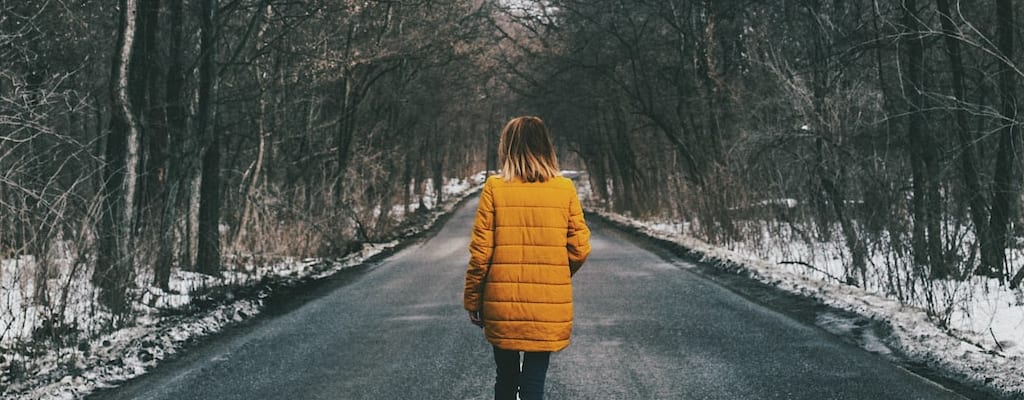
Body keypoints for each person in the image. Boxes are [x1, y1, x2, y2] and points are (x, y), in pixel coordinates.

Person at [464, 116, 592, 400]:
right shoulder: (564, 189)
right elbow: (580, 246)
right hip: (547, 303)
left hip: (502, 300)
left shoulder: (495, 188)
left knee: (506, 377)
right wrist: (555, 272)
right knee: (535, 379)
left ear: (507, 147)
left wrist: (473, 298)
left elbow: (481, 251)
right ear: (546, 146)